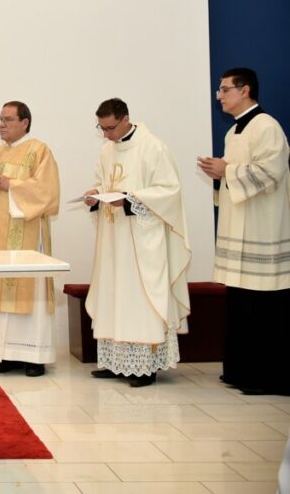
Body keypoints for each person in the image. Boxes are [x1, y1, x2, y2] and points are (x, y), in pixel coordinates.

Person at [83, 98, 191, 387]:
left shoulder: (153, 147)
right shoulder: (107, 150)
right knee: (114, 294)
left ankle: (144, 367)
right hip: (113, 237)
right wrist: (96, 194)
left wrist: (130, 199)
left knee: (139, 297)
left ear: (125, 119)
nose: (106, 134)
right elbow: (103, 181)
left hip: (142, 240)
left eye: (109, 128)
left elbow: (169, 192)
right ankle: (115, 361)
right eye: (101, 128)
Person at [198, 68, 290, 396]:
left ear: (245, 90)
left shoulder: (266, 127)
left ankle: (266, 377)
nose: (218, 96)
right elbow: (238, 175)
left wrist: (228, 171)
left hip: (262, 231)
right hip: (241, 230)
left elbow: (272, 172)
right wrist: (220, 173)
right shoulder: (234, 132)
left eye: (224, 90)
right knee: (241, 303)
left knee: (263, 307)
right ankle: (240, 370)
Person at [0, 101, 59, 377]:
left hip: (27, 236)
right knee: (0, 286)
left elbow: (47, 191)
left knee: (27, 287)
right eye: (0, 119)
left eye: (8, 119)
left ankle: (34, 356)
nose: (2, 124)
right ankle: (3, 354)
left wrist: (11, 185)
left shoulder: (39, 150)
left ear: (25, 122)